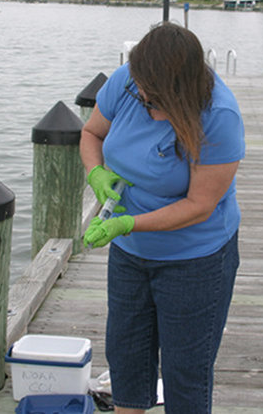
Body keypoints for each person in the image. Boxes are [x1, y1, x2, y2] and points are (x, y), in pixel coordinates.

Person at [80, 22, 245, 413]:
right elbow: (91, 134)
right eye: (142, 96)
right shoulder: (129, 81)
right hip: (129, 255)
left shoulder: (220, 114)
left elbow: (199, 205)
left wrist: (128, 223)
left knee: (185, 370)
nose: (145, 102)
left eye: (155, 100)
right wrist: (96, 173)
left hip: (196, 258)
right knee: (126, 358)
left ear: (182, 90)